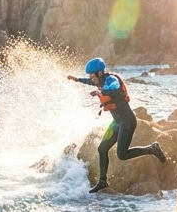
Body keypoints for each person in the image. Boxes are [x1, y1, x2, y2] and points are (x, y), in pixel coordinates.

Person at [66, 57, 167, 192]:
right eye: (89, 76)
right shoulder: (99, 80)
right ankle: (102, 181)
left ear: (100, 73)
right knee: (102, 149)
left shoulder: (111, 80)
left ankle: (152, 149)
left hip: (127, 121)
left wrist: (101, 92)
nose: (91, 78)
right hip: (117, 122)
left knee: (122, 154)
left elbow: (114, 86)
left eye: (92, 75)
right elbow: (90, 82)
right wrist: (77, 79)